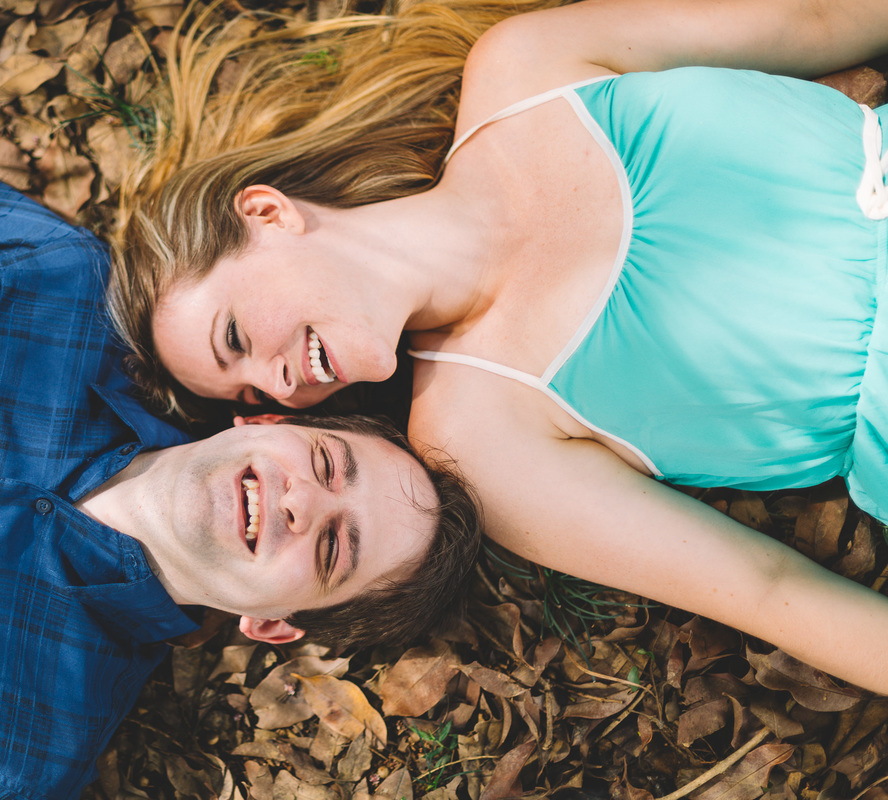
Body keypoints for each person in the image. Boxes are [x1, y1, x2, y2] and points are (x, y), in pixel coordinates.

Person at [111, 0, 888, 695]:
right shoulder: (480, 440)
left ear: (268, 214)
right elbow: (768, 588)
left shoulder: (529, 65)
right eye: (251, 396)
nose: (277, 384)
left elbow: (820, 18)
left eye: (237, 338)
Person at [0, 131, 482, 799]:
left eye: (333, 547)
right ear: (265, 419)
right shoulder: (57, 276)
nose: (302, 502)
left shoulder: (15, 751)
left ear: (275, 624)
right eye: (325, 462)